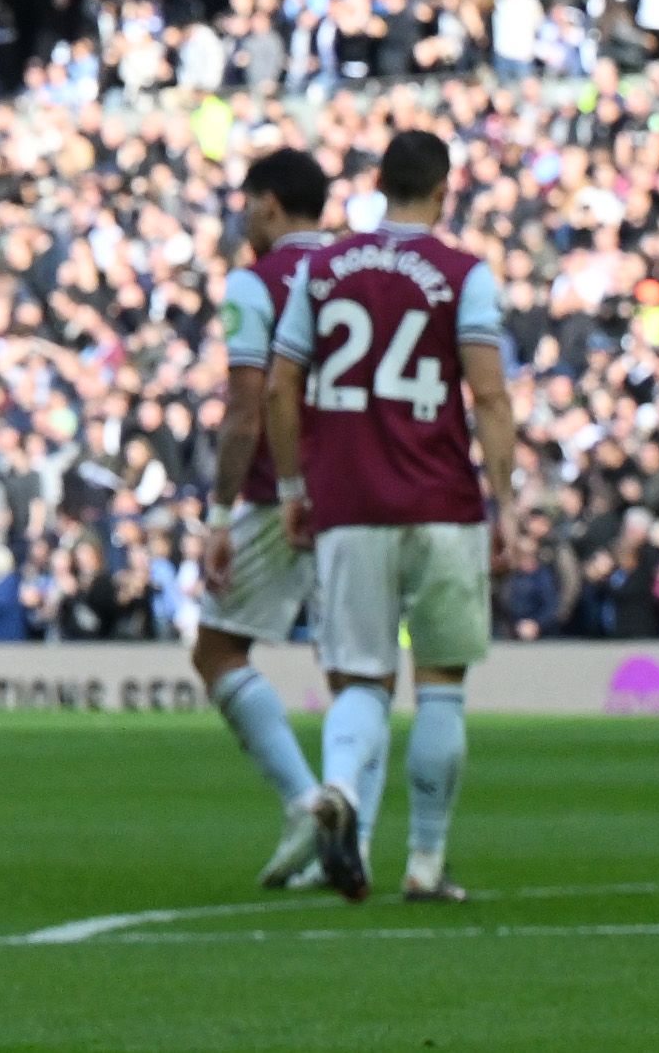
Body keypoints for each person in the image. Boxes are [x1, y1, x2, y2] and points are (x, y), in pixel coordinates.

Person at [267, 129, 520, 905]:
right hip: (441, 502)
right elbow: (488, 394)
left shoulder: (322, 267)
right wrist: (504, 502)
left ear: (379, 186)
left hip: (348, 504)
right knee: (441, 684)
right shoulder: (461, 274)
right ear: (443, 190)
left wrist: (290, 489)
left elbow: (280, 389)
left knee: (362, 681)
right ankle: (425, 864)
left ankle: (339, 787)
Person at [196, 146, 344, 891]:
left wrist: (219, 513)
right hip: (362, 487)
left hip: (277, 492)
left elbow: (247, 407)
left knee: (217, 650)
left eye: (248, 200)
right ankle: (357, 829)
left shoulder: (256, 282)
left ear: (269, 203)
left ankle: (303, 801)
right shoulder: (359, 269)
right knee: (360, 672)